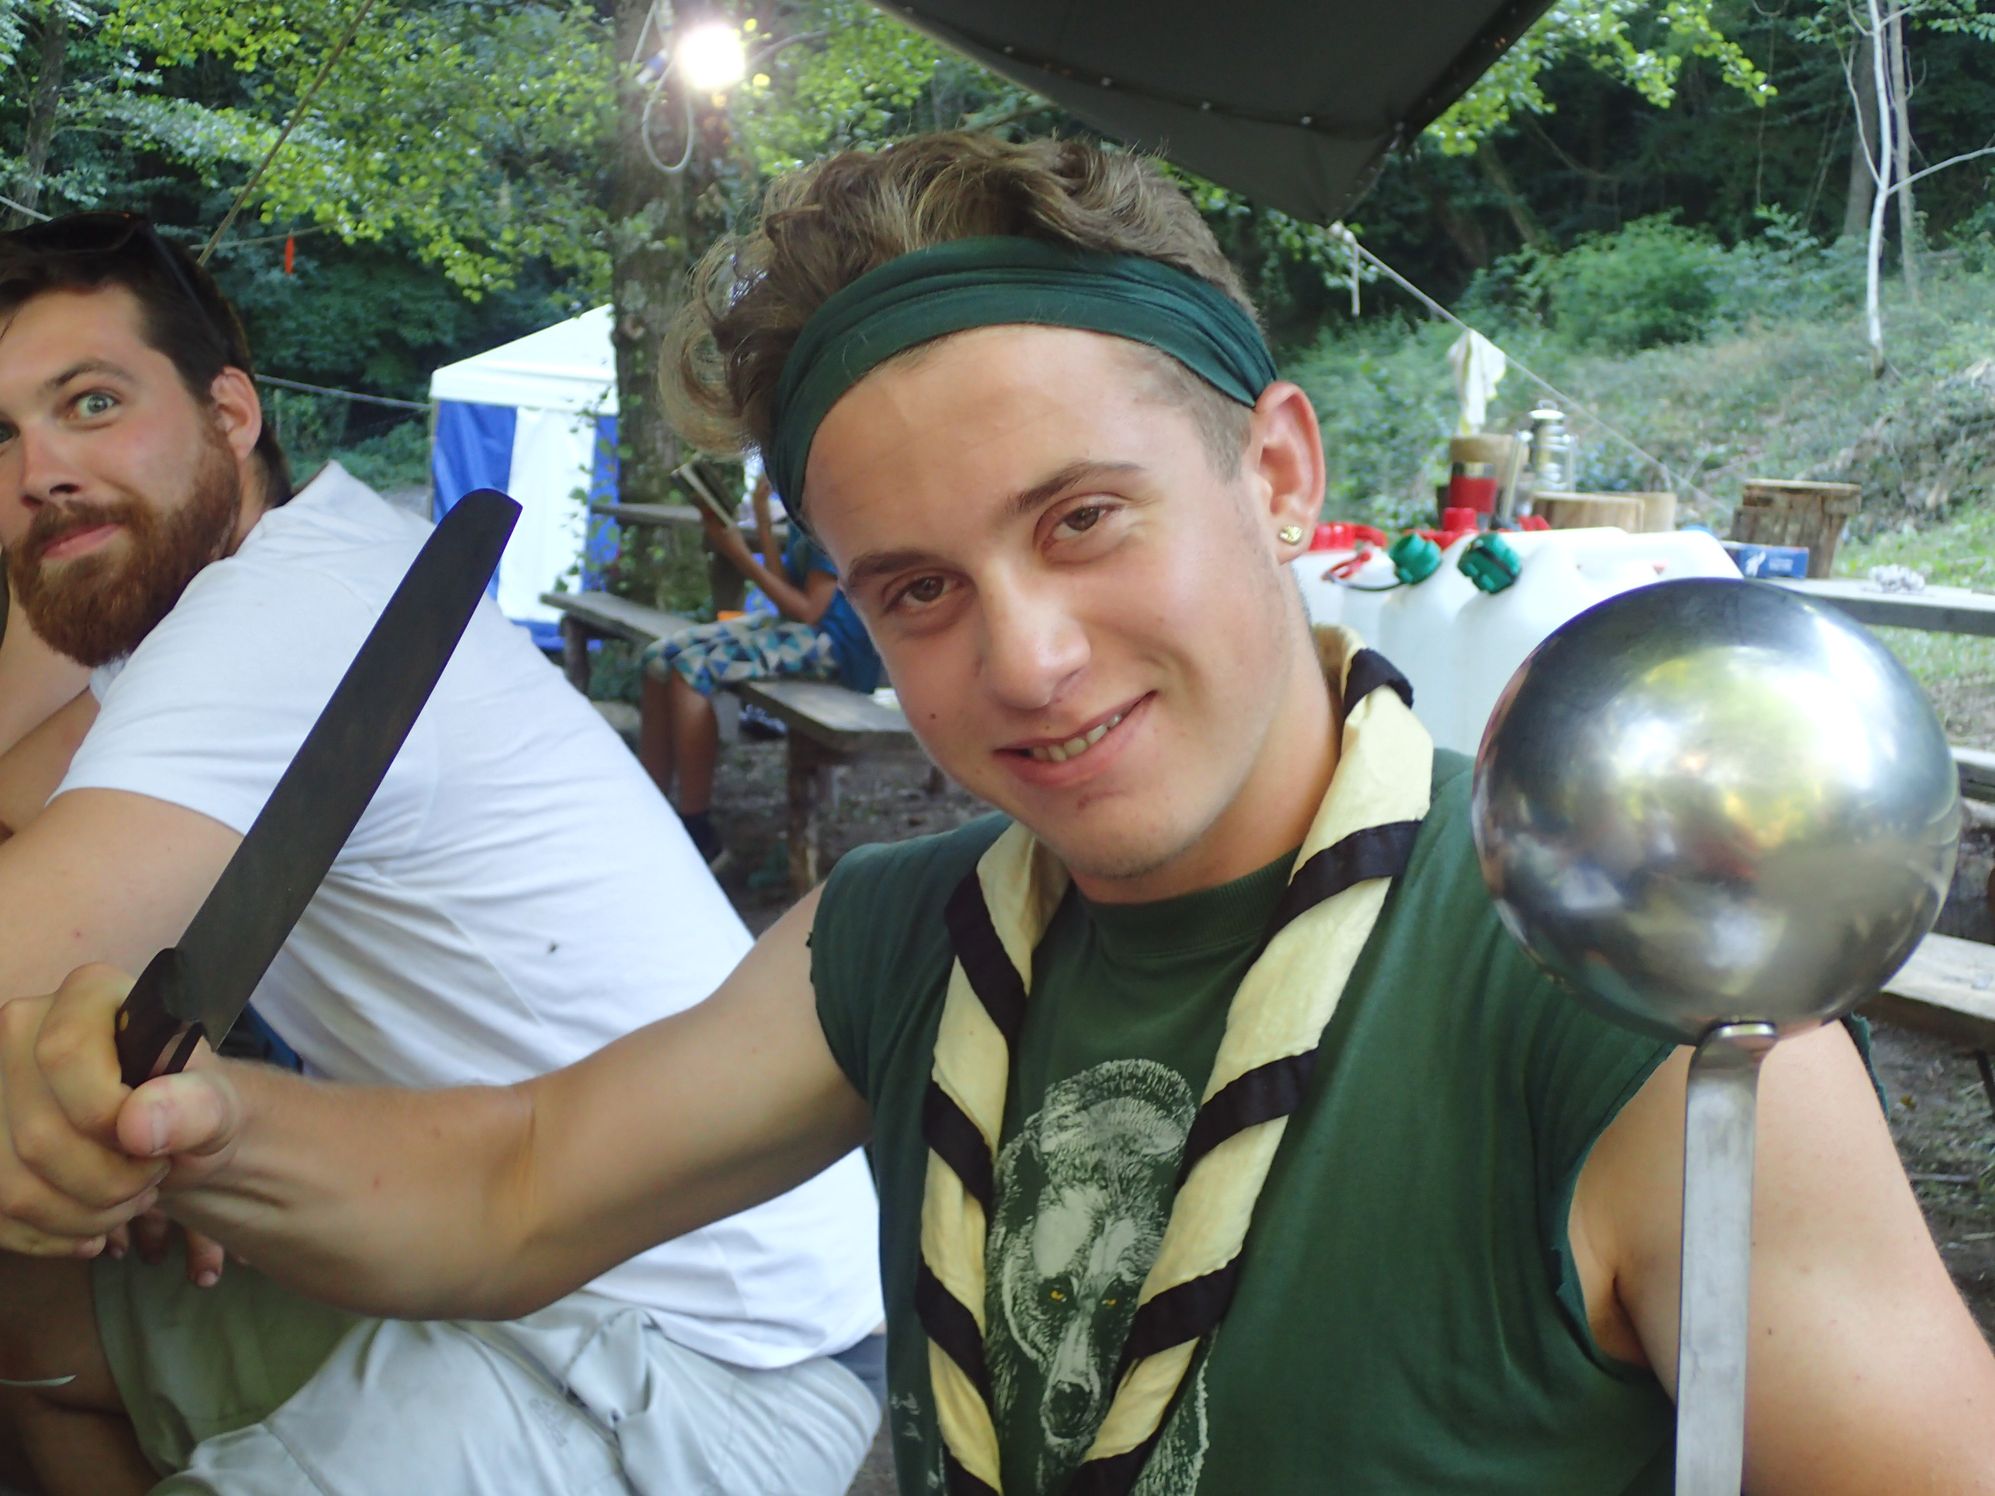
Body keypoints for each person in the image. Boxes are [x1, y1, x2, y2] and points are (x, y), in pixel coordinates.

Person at [4, 138, 1993, 1496]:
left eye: (1084, 518)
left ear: (1277, 471)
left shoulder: (1620, 997)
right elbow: (516, 1186)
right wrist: (202, 1124)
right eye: (917, 589)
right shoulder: (908, 935)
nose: (1026, 662)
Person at [0, 212, 883, 1495]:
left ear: (231, 413)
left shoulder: (283, 615)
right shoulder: (266, 583)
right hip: (462, 1226)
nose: (39, 471)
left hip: (688, 1336)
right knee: (29, 1312)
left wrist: (77, 1104)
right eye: (2, 437)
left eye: (92, 403)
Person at [636, 467, 881, 867]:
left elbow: (808, 611)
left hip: (836, 646)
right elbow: (786, 589)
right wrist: (762, 517)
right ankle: (646, 806)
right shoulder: (804, 509)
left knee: (690, 670)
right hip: (799, 628)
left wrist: (737, 554)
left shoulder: (832, 511)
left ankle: (698, 830)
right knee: (658, 658)